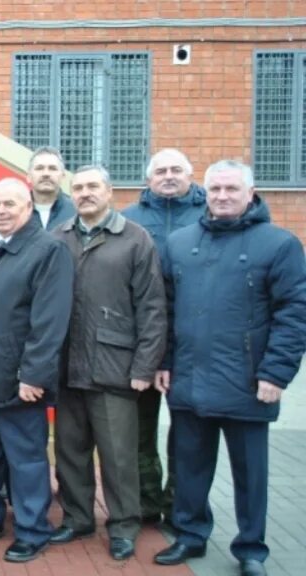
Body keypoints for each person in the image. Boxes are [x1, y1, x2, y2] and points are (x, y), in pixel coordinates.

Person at [153, 161, 306, 576]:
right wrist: (164, 361)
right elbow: (164, 310)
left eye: (231, 189)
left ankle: (251, 548)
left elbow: (294, 314)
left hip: (249, 383)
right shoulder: (181, 242)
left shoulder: (279, 244)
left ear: (251, 192)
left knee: (250, 474)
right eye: (215, 189)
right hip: (188, 379)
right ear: (205, 192)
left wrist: (276, 373)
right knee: (189, 467)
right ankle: (190, 535)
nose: (222, 196)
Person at [50, 166, 167, 560]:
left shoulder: (135, 239)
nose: (84, 193)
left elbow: (152, 308)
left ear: (109, 191)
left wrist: (144, 368)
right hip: (66, 366)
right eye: (78, 187)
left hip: (114, 366)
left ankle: (123, 526)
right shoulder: (59, 237)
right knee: (70, 452)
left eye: (92, 186)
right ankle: (77, 519)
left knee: (118, 457)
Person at [0, 178, 73, 563]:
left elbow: (49, 321)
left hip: (20, 383)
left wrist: (34, 376)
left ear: (28, 207)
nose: (0, 210)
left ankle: (32, 530)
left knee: (26, 461)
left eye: (9, 204)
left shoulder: (47, 250)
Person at [120, 148, 207, 527]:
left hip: (194, 347)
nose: (168, 176)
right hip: (142, 345)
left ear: (190, 175)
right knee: (140, 434)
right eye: (161, 171)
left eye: (176, 169)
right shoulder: (129, 221)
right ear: (148, 179)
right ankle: (146, 503)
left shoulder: (209, 217)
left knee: (188, 438)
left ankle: (179, 507)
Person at [27, 146, 76, 230]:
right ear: (29, 176)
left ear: (63, 176)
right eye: (39, 168)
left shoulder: (75, 211)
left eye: (52, 169)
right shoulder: (17, 211)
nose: (46, 173)